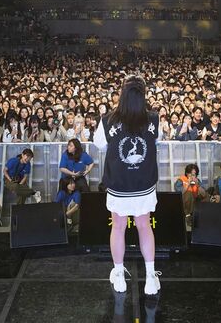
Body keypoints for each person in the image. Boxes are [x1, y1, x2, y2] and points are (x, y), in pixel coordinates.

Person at [93, 75, 161, 297]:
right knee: (144, 226)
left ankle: (119, 273)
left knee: (119, 227)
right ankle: (150, 277)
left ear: (122, 94)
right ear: (143, 94)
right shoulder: (153, 118)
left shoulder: (108, 120)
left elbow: (99, 145)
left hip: (119, 185)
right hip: (144, 185)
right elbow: (156, 141)